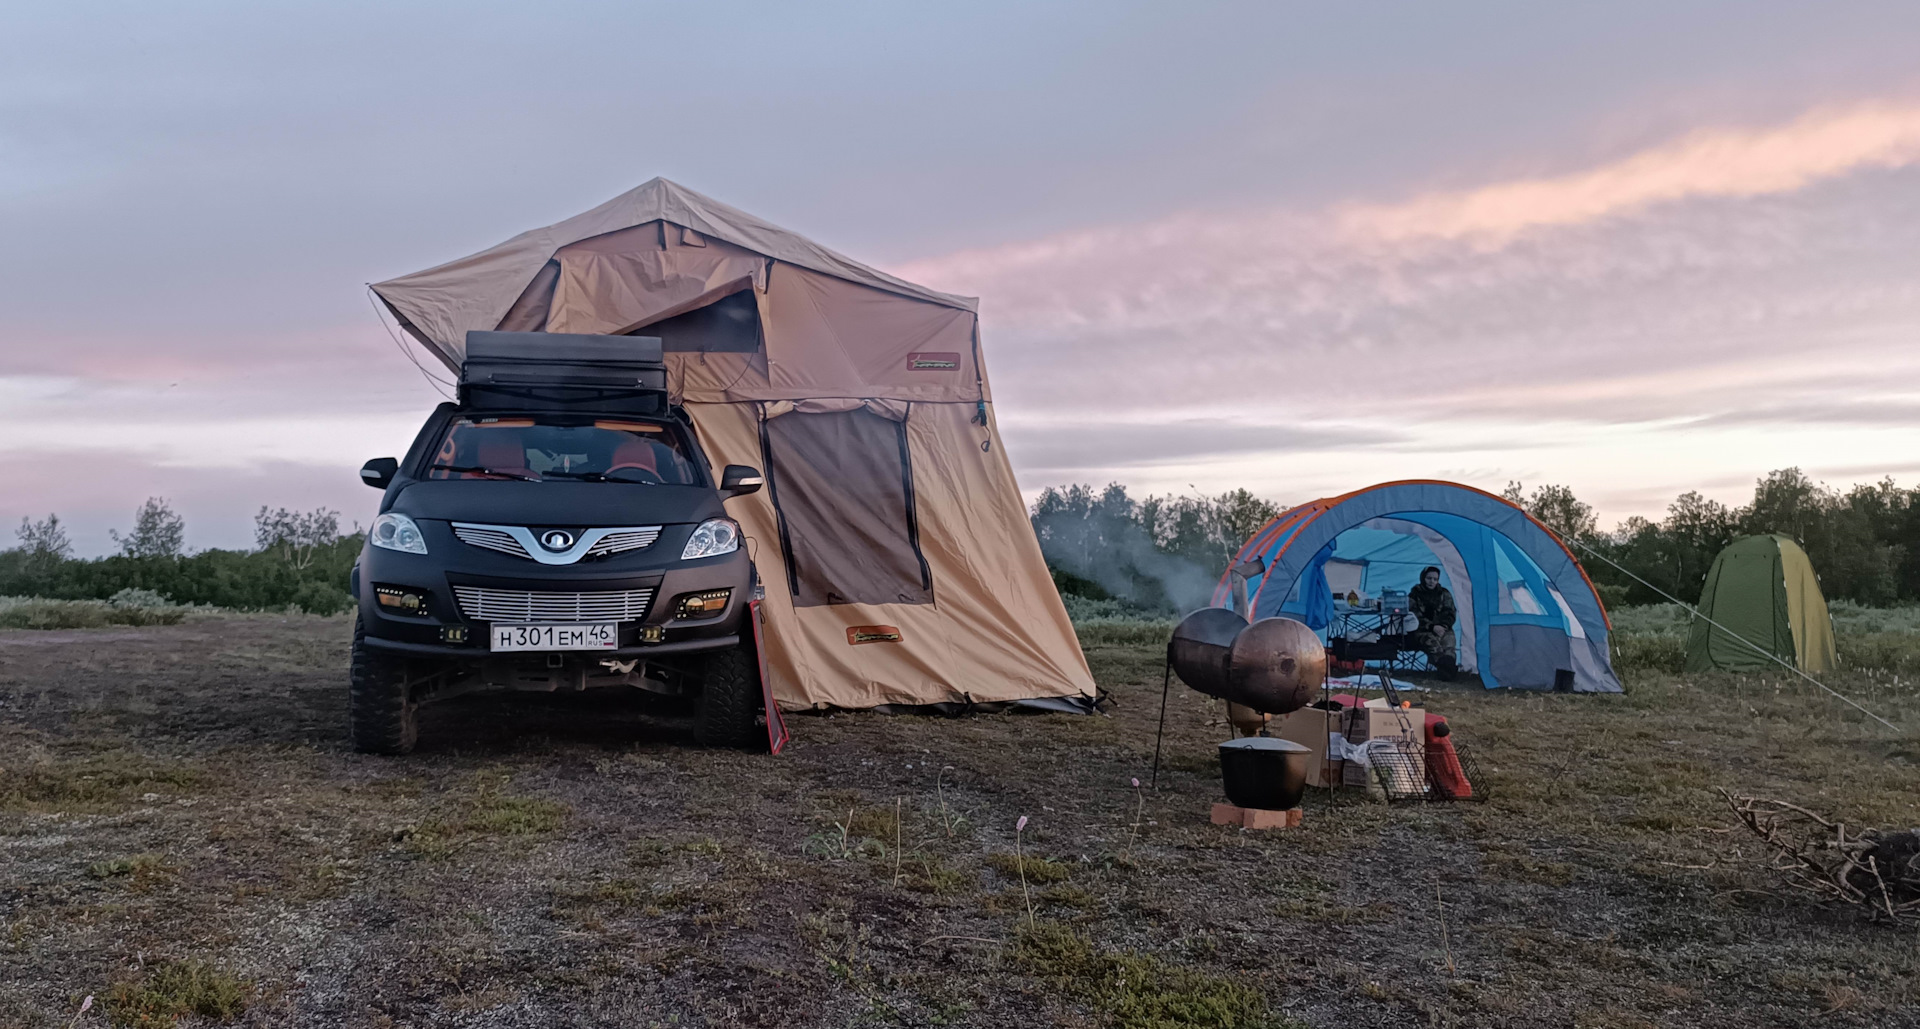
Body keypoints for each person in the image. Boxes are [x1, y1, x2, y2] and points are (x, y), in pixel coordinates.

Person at [1408, 566, 1458, 679]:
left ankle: (1448, 670)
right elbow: (1413, 616)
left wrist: (1443, 626)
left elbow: (1450, 612)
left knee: (1449, 644)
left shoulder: (1444, 594)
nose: (1432, 581)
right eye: (1429, 578)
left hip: (1443, 628)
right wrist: (1431, 626)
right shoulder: (1415, 594)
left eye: (1435, 579)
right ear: (1423, 578)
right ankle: (1446, 671)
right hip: (1422, 630)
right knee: (1434, 645)